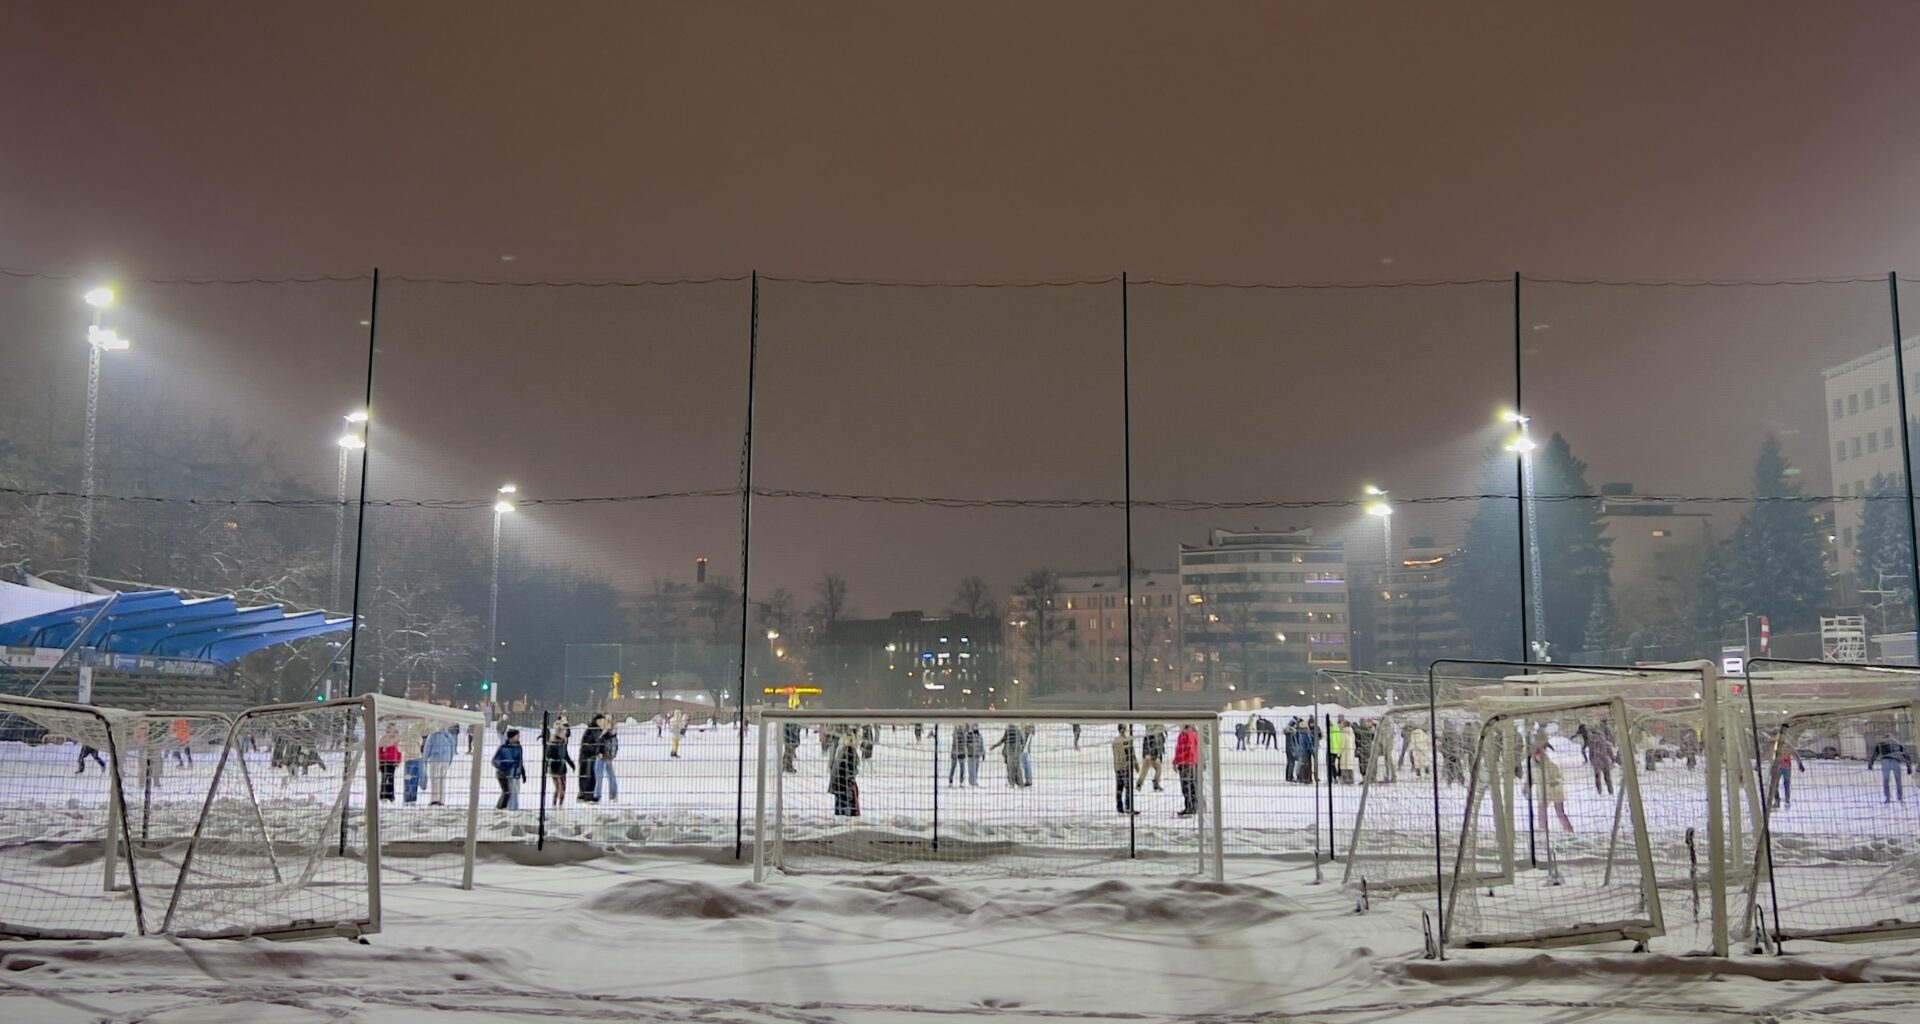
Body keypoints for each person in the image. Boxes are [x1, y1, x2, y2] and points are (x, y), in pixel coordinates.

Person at [1531, 742, 1573, 832]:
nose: (1539, 757)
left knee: (1560, 812)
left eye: (1541, 755)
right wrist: (1527, 785)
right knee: (1541, 813)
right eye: (1537, 755)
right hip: (1542, 793)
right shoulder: (1533, 768)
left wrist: (1555, 783)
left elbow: (1560, 778)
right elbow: (1531, 779)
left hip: (1555, 792)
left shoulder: (1552, 766)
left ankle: (1568, 829)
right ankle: (1543, 830)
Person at [828, 729, 861, 816]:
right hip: (843, 785)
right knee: (846, 808)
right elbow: (849, 771)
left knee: (840, 806)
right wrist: (850, 784)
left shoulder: (842, 749)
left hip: (837, 784)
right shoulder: (849, 751)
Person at [491, 728, 526, 810]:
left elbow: (520, 761)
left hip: (516, 774)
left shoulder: (519, 747)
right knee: (508, 792)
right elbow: (495, 761)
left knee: (516, 791)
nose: (518, 737)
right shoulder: (504, 748)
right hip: (506, 774)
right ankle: (506, 808)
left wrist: (523, 772)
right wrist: (504, 767)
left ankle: (514, 808)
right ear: (511, 737)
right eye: (517, 735)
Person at [1767, 732, 1803, 810]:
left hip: (1786, 768)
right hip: (1776, 767)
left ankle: (1787, 801)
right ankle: (1777, 801)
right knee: (1774, 785)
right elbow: (1766, 755)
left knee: (1786, 785)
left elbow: (1794, 754)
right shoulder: (1772, 745)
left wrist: (1800, 764)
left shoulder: (1787, 745)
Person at [1870, 734, 1911, 803]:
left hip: (1885, 760)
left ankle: (1887, 797)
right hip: (1895, 760)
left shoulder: (1881, 742)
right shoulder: (1897, 742)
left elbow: (1875, 753)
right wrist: (1908, 766)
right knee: (1898, 779)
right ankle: (1900, 796)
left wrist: (1871, 763)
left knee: (1886, 780)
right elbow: (1905, 754)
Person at [423, 725, 457, 805]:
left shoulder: (433, 735)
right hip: (445, 760)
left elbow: (427, 748)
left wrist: (424, 759)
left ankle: (435, 798)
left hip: (435, 760)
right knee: (443, 780)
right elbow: (453, 749)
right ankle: (442, 799)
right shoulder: (448, 736)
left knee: (435, 779)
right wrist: (450, 760)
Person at [1173, 723, 1202, 817]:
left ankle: (1189, 807)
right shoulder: (1193, 733)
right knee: (1192, 785)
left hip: (1186, 762)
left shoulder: (1186, 735)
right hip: (1191, 762)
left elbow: (1183, 749)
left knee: (1187, 786)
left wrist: (1177, 761)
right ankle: (1193, 806)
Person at [544, 725, 574, 806]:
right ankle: (554, 804)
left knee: (563, 787)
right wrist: (546, 768)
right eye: (563, 731)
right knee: (559, 786)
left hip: (562, 768)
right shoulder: (552, 744)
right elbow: (548, 757)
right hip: (554, 768)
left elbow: (566, 755)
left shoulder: (563, 743)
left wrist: (571, 764)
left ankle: (561, 804)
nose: (565, 733)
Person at [1112, 724, 1138, 815]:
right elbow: (1122, 755)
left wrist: (1135, 765)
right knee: (1125, 787)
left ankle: (1123, 806)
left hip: (1123, 767)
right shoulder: (1119, 741)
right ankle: (1126, 806)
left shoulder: (1126, 740)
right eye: (1126, 729)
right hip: (1123, 767)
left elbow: (1132, 754)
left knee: (1123, 787)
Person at [578, 718, 604, 803]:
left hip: (593, 757)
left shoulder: (599, 731)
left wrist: (599, 751)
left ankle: (590, 794)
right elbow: (586, 745)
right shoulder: (590, 731)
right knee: (586, 775)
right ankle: (584, 795)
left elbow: (600, 743)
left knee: (592, 776)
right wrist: (594, 751)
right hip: (586, 757)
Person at [596, 716, 620, 802]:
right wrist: (598, 753)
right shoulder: (603, 735)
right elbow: (598, 744)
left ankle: (613, 795)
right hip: (601, 758)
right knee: (599, 777)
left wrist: (613, 755)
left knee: (612, 777)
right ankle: (597, 796)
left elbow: (615, 746)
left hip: (609, 758)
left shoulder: (614, 737)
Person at [376, 727, 402, 802]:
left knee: (390, 778)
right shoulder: (384, 739)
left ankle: (390, 795)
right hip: (384, 761)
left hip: (392, 762)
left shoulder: (396, 740)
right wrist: (379, 761)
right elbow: (379, 751)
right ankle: (383, 795)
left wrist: (398, 761)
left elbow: (399, 751)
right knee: (384, 778)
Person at [1588, 726, 1616, 795]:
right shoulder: (1604, 740)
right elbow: (1609, 751)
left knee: (1597, 777)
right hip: (1605, 760)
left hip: (1596, 761)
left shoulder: (1592, 742)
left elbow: (1590, 752)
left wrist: (1591, 760)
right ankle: (1610, 791)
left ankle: (1599, 791)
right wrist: (1613, 759)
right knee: (1607, 777)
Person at [1138, 723, 1166, 791]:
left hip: (1156, 755)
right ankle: (1139, 784)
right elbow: (1146, 744)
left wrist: (1160, 755)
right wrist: (1146, 754)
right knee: (1145, 769)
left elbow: (1161, 745)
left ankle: (1156, 783)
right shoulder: (1150, 734)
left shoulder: (1160, 735)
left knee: (1158, 768)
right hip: (1149, 755)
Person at [1328, 717, 1348, 783]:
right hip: (1338, 750)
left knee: (1333, 764)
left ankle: (1335, 776)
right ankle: (1338, 776)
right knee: (1339, 764)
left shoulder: (1331, 731)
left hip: (1333, 750)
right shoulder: (1337, 730)